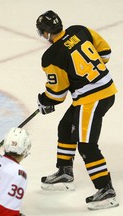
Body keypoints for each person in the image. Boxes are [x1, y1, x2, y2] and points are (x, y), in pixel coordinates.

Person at [35, 10, 119, 210]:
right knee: (66, 126)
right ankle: (65, 172)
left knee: (87, 145)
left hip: (93, 99)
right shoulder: (79, 30)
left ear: (46, 33)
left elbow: (57, 94)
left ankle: (106, 190)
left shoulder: (51, 56)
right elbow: (105, 53)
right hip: (102, 90)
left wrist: (44, 100)